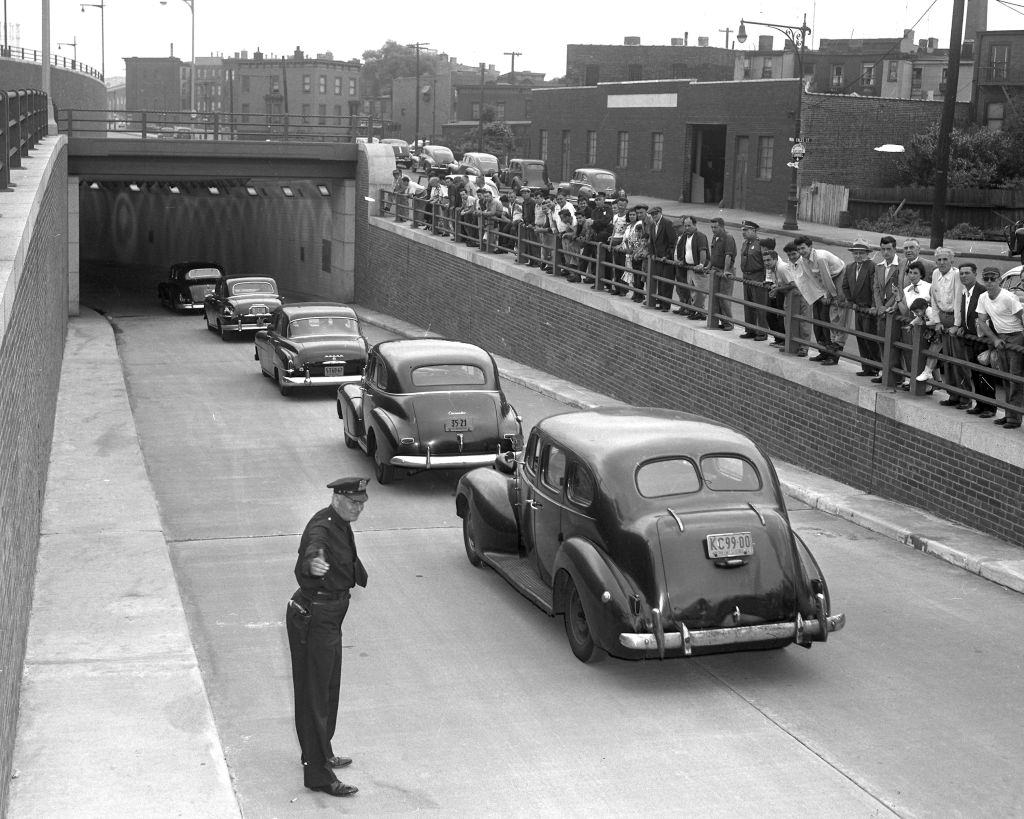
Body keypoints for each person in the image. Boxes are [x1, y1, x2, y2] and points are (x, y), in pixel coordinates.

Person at [286, 477, 370, 798]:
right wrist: (312, 563)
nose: (359, 508)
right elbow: (312, 551)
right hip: (314, 617)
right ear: (337, 499)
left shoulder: (340, 521)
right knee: (314, 694)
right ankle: (318, 773)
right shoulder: (322, 527)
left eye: (362, 503)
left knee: (328, 688)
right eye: (353, 502)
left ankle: (322, 750)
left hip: (329, 616)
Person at [975, 266, 1024, 429]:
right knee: (1004, 376)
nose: (989, 282)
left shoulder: (1009, 298)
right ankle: (1009, 413)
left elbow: (1022, 318)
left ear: (998, 280)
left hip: (1016, 336)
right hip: (1001, 337)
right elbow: (981, 320)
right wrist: (994, 339)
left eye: (993, 279)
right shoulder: (983, 297)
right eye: (986, 279)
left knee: (1015, 377)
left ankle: (1014, 418)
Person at [929, 247, 972, 410]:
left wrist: (956, 324)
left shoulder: (956, 275)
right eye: (939, 259)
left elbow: (958, 301)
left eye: (945, 259)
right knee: (947, 359)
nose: (941, 263)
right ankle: (952, 394)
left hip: (955, 317)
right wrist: (937, 321)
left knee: (959, 360)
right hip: (943, 317)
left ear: (951, 261)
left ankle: (965, 397)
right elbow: (934, 298)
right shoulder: (935, 274)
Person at [794, 236, 846, 365]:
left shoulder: (820, 258)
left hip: (838, 274)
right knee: (819, 318)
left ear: (810, 247)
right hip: (824, 281)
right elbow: (813, 279)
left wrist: (828, 296)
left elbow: (826, 278)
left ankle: (834, 355)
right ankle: (823, 351)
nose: (801, 251)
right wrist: (819, 295)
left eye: (803, 248)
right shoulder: (803, 260)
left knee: (833, 313)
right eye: (799, 249)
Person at [959, 262, 998, 418]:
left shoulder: (982, 291)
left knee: (985, 374)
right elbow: (967, 313)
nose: (964, 276)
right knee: (975, 373)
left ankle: (990, 407)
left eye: (967, 273)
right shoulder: (964, 291)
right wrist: (963, 326)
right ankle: (980, 404)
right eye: (961, 273)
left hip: (983, 340)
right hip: (971, 339)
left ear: (975, 274)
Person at [841, 239, 882, 377]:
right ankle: (867, 367)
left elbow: (874, 288)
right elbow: (845, 286)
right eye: (855, 253)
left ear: (867, 254)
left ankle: (877, 367)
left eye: (861, 253)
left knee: (870, 338)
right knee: (860, 338)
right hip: (857, 308)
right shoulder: (850, 267)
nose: (858, 256)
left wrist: (873, 305)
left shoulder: (872, 266)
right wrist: (850, 301)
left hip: (868, 309)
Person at [767, 242, 812, 356]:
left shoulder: (804, 263)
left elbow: (794, 284)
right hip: (791, 296)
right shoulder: (789, 264)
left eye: (794, 254)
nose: (792, 257)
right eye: (789, 255)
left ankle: (804, 347)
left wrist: (777, 289)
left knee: (803, 322)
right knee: (790, 321)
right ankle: (791, 345)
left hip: (804, 295)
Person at [872, 235, 904, 386]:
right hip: (882, 309)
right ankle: (884, 371)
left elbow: (900, 288)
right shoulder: (879, 266)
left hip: (893, 309)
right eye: (883, 249)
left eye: (888, 249)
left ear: (895, 249)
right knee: (881, 340)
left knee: (892, 342)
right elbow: (876, 288)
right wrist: (880, 307)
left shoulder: (901, 265)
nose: (885, 253)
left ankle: (895, 375)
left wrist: (887, 307)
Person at [673, 216, 709, 318]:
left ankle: (701, 313)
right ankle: (695, 311)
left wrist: (701, 264)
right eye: (685, 226)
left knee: (699, 292)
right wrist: (682, 261)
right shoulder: (685, 236)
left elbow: (703, 251)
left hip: (697, 268)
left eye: (689, 225)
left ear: (695, 225)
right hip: (689, 267)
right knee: (692, 291)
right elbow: (682, 249)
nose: (687, 228)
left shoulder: (700, 236)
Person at [738, 219, 768, 339]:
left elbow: (766, 263)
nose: (743, 232)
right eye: (742, 230)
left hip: (757, 276)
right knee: (748, 304)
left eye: (746, 230)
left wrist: (766, 279)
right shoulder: (745, 243)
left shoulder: (760, 244)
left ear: (754, 231)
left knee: (759, 305)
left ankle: (762, 332)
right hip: (746, 276)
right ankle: (750, 330)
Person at [707, 217, 737, 330]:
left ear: (722, 226)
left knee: (724, 298)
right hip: (716, 269)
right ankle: (722, 321)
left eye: (715, 227)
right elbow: (713, 254)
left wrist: (725, 270)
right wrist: (708, 266)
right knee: (716, 297)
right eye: (712, 227)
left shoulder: (728, 237)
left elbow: (728, 255)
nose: (713, 229)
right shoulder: (715, 237)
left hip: (725, 271)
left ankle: (729, 323)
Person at [647, 206, 677, 311]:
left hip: (666, 259)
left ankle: (666, 305)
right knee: (659, 281)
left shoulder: (667, 223)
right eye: (652, 214)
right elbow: (651, 242)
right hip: (658, 258)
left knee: (666, 282)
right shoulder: (652, 225)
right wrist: (652, 253)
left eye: (656, 214)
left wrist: (667, 255)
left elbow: (673, 242)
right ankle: (660, 302)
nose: (654, 216)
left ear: (660, 213)